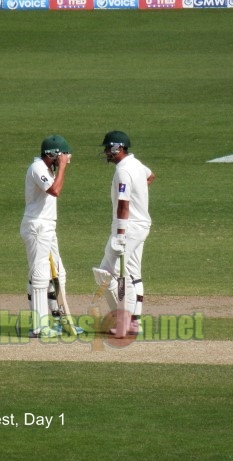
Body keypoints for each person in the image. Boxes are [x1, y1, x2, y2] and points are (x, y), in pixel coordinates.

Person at [93, 130, 155, 336]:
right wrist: (139, 193)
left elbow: (123, 205)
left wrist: (119, 234)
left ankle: (122, 320)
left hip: (127, 228)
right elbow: (150, 176)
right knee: (132, 273)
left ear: (116, 148)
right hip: (141, 226)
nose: (105, 152)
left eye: (107, 148)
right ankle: (134, 323)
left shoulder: (123, 171)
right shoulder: (136, 164)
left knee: (106, 273)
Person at [20, 134, 76, 338]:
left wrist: (59, 167)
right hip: (37, 227)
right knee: (40, 275)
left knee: (59, 272)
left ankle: (60, 320)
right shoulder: (38, 168)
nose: (67, 159)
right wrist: (61, 167)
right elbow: (55, 191)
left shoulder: (47, 169)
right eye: (64, 155)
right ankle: (38, 327)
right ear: (53, 155)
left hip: (48, 227)